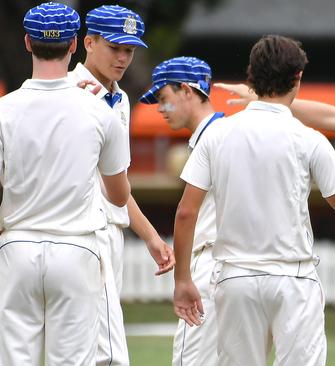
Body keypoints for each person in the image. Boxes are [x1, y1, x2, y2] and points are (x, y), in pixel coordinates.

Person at [172, 35, 335, 366]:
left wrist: (275, 164)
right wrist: (275, 120)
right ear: (297, 78)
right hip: (298, 278)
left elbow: (186, 212)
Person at [0, 3, 131, 365]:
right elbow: (119, 196)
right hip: (76, 248)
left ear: (27, 42)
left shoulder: (0, 110)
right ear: (74, 44)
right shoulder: (100, 112)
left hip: (18, 246)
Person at [68, 5, 175, 365]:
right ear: (89, 42)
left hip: (109, 231)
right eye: (115, 47)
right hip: (81, 231)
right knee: (108, 353)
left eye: (129, 50)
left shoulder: (121, 99)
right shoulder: (69, 92)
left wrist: (150, 237)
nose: (123, 58)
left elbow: (116, 182)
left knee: (90, 346)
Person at [139, 56, 220, 366]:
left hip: (209, 264)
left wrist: (183, 279)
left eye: (164, 98)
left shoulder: (210, 138)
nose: (161, 109)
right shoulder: (228, 131)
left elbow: (186, 214)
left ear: (187, 90)